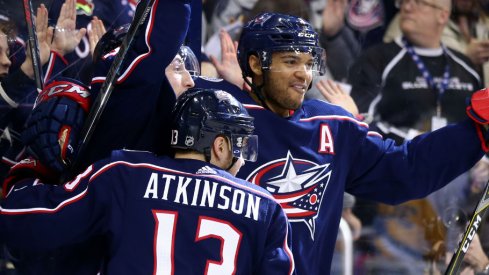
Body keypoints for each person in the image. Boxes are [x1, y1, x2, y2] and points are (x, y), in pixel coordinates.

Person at [206, 12, 488, 274]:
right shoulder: (215, 114)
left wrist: (475, 130)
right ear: (256, 64)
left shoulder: (335, 124)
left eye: (308, 62)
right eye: (290, 62)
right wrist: (224, 91)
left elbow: (405, 169)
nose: (303, 75)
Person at [0, 88, 295, 275]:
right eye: (240, 146)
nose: (242, 160)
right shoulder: (266, 208)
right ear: (219, 146)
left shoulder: (125, 172)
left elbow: (27, 222)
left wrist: (31, 168)